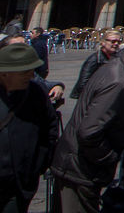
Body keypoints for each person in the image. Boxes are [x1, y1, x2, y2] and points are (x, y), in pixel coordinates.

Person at [49, 32, 124, 213]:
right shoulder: (119, 82)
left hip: (79, 164)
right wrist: (109, 157)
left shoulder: (121, 70)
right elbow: (89, 131)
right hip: (80, 167)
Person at [0, 41, 59, 213]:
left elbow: (50, 128)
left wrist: (38, 164)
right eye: (25, 71)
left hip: (19, 185)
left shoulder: (36, 93)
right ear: (5, 74)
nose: (31, 75)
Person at [70, 31, 122, 102]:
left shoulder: (117, 57)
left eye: (119, 42)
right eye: (113, 41)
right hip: (92, 98)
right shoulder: (95, 59)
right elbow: (83, 82)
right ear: (103, 42)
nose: (116, 44)